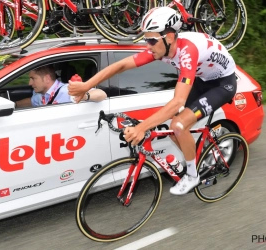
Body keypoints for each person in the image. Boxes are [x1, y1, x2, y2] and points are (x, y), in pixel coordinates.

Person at [68, 7, 237, 195]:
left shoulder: (187, 52)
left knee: (179, 124)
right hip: (202, 78)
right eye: (145, 39)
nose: (147, 45)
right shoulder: (161, 47)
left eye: (151, 40)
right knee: (176, 130)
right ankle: (195, 162)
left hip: (223, 84)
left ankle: (192, 175)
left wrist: (142, 128)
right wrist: (86, 86)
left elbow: (177, 102)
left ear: (170, 37)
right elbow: (121, 65)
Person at [15, 64, 107, 108]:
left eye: (33, 78)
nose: (29, 83)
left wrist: (85, 96)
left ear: (47, 78)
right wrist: (14, 105)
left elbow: (102, 94)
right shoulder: (41, 94)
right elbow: (31, 102)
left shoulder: (67, 90)